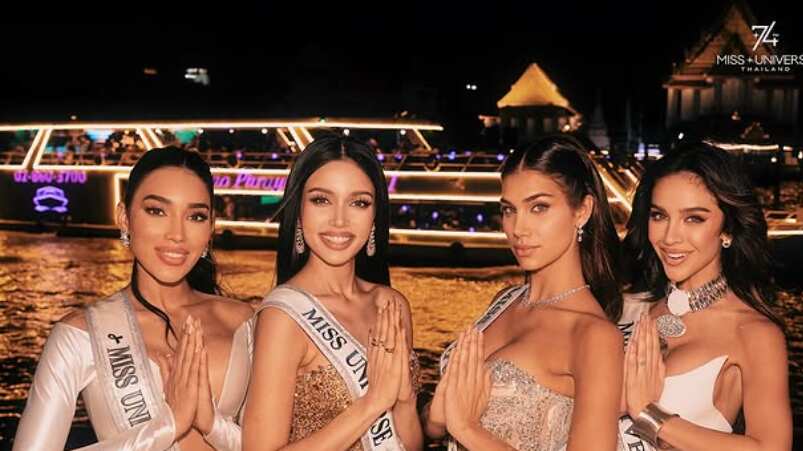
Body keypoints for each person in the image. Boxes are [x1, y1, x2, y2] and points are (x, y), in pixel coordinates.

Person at [13, 146, 254, 450]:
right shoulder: (79, 335)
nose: (177, 234)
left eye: (195, 216)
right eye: (157, 211)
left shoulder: (244, 321)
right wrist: (170, 425)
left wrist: (211, 423)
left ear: (211, 227)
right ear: (124, 218)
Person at [424, 135, 624, 451]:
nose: (518, 229)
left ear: (582, 211)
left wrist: (466, 429)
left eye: (539, 208)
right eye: (509, 210)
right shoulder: (504, 301)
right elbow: (440, 419)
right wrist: (435, 421)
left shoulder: (594, 335)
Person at [242, 136, 423, 451]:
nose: (340, 220)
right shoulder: (284, 318)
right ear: (299, 210)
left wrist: (405, 403)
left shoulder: (391, 305)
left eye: (359, 203)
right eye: (321, 200)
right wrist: (372, 404)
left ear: (375, 217)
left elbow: (408, 443)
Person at [618, 141, 792, 450]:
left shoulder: (753, 333)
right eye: (659, 216)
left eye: (693, 218)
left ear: (727, 230)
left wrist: (648, 414)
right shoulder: (631, 307)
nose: (670, 237)